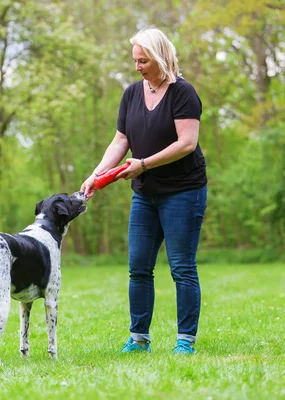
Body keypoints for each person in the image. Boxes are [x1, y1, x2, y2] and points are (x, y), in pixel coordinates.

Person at [81, 27, 207, 355]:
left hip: (183, 191)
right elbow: (120, 140)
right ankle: (139, 339)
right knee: (138, 266)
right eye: (135, 60)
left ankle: (185, 341)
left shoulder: (183, 93)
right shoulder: (131, 94)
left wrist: (144, 163)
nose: (137, 66)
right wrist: (96, 175)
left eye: (143, 60)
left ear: (160, 57)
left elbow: (187, 143)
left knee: (181, 266)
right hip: (145, 194)